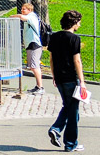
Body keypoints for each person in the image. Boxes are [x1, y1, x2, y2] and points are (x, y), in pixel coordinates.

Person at [47, 10, 87, 152]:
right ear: (74, 22)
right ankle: (70, 143)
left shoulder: (54, 36)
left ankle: (56, 130)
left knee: (68, 106)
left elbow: (51, 58)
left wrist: (54, 76)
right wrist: (82, 81)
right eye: (79, 22)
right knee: (73, 111)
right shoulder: (74, 38)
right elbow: (77, 60)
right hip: (71, 77)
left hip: (59, 78)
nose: (80, 24)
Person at [12, 3, 44, 95]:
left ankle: (41, 87)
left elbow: (22, 17)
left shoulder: (32, 16)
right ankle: (38, 86)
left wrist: (13, 16)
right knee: (32, 66)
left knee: (34, 66)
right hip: (29, 44)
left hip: (35, 44)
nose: (22, 11)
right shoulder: (29, 17)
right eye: (22, 9)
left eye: (24, 9)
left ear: (30, 10)